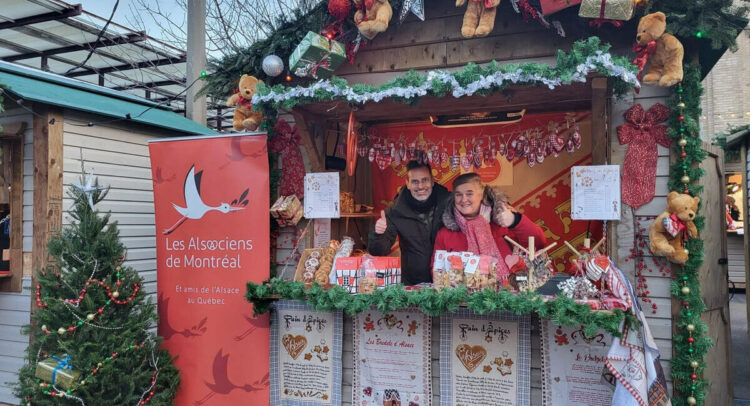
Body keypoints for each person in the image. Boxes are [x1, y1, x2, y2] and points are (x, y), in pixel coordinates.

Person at [434, 173, 546, 269]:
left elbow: (539, 243)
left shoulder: (503, 221)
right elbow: (436, 270)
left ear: (481, 195)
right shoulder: (445, 234)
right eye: (458, 195)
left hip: (508, 291)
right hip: (463, 293)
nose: (464, 200)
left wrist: (515, 221)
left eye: (469, 194)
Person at [368, 160, 451, 285]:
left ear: (432, 181)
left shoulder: (448, 202)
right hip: (413, 283)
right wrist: (378, 234)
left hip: (448, 280)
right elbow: (378, 251)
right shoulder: (396, 210)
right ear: (407, 183)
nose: (421, 186)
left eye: (425, 180)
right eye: (415, 182)